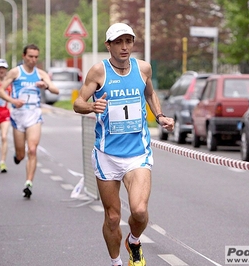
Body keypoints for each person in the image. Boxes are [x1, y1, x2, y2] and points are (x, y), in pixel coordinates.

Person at [73, 23, 175, 266]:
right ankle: (116, 262)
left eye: (128, 41)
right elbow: (78, 102)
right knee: (112, 216)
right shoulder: (99, 72)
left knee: (139, 211)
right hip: (107, 154)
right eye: (118, 42)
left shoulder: (143, 68)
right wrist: (91, 106)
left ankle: (134, 241)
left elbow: (149, 94)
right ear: (108, 45)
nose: (124, 47)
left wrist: (160, 116)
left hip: (137, 153)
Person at [0, 44, 59, 199]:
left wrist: (45, 85)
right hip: (18, 115)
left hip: (34, 114)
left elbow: (55, 90)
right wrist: (13, 100)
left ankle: (28, 183)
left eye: (36, 57)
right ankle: (18, 157)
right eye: (30, 56)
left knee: (32, 149)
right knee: (21, 153)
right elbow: (0, 90)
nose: (33, 60)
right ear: (24, 56)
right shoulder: (16, 72)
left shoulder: (41, 73)